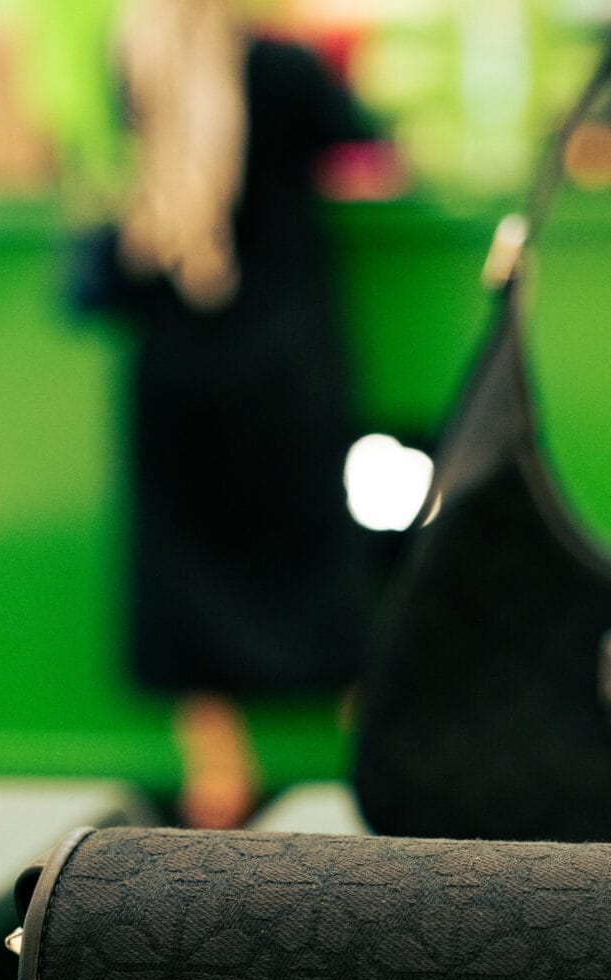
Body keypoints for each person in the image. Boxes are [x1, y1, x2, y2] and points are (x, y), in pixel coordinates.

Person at [112, 0, 373, 827]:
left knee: (181, 558)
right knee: (318, 543)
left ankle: (215, 773)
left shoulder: (139, 58)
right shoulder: (287, 68)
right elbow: (362, 148)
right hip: (280, 361)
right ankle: (365, 750)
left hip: (174, 346)